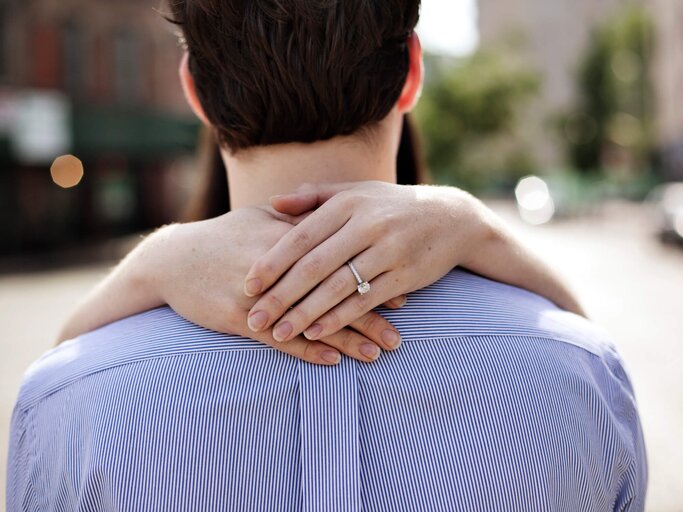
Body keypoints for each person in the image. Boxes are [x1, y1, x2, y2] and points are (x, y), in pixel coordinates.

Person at [7, 0, 646, 510]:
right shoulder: (578, 373)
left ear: (193, 91)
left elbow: (57, 383)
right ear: (412, 74)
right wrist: (476, 227)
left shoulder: (69, 399)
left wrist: (151, 262)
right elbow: (587, 356)